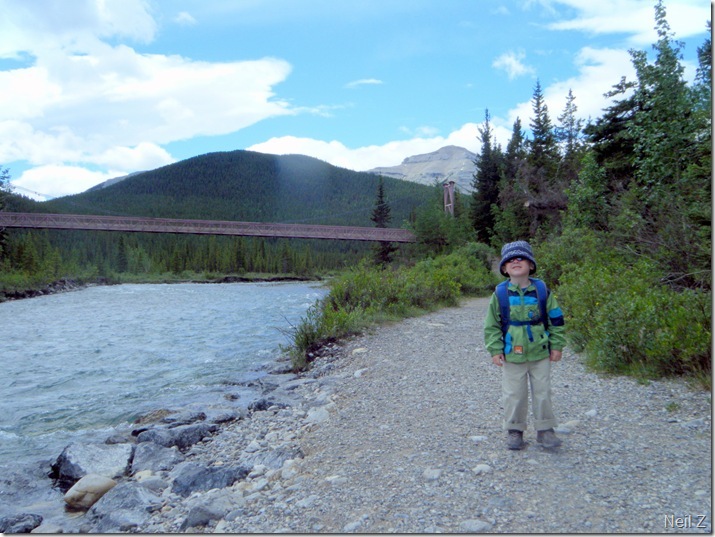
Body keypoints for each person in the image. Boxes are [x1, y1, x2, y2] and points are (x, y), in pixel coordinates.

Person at [483, 240, 566, 450]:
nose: (516, 261)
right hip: (512, 355)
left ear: (531, 265)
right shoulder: (500, 294)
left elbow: (556, 319)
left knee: (543, 392)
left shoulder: (541, 290)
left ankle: (545, 430)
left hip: (540, 353)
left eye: (521, 258)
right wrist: (495, 349)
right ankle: (515, 430)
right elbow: (492, 325)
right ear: (504, 268)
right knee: (514, 394)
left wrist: (556, 345)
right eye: (510, 259)